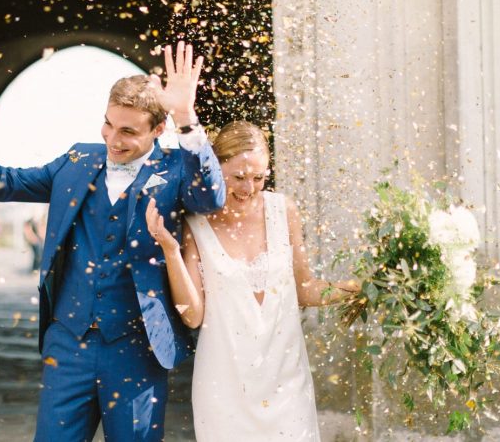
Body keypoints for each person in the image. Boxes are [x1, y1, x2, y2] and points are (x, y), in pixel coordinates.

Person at [0, 42, 225, 441]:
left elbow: (211, 197)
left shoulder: (176, 168)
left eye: (128, 131)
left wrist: (187, 119)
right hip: (69, 344)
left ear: (158, 130)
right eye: (108, 124)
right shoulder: (76, 161)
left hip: (137, 347)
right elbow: (0, 183)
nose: (113, 138)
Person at [146, 120, 359, 441]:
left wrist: (363, 287)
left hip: (287, 381)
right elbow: (193, 314)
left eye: (259, 178)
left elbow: (306, 290)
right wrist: (171, 251)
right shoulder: (196, 223)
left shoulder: (282, 211)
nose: (248, 187)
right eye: (239, 177)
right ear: (216, 169)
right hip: (225, 386)